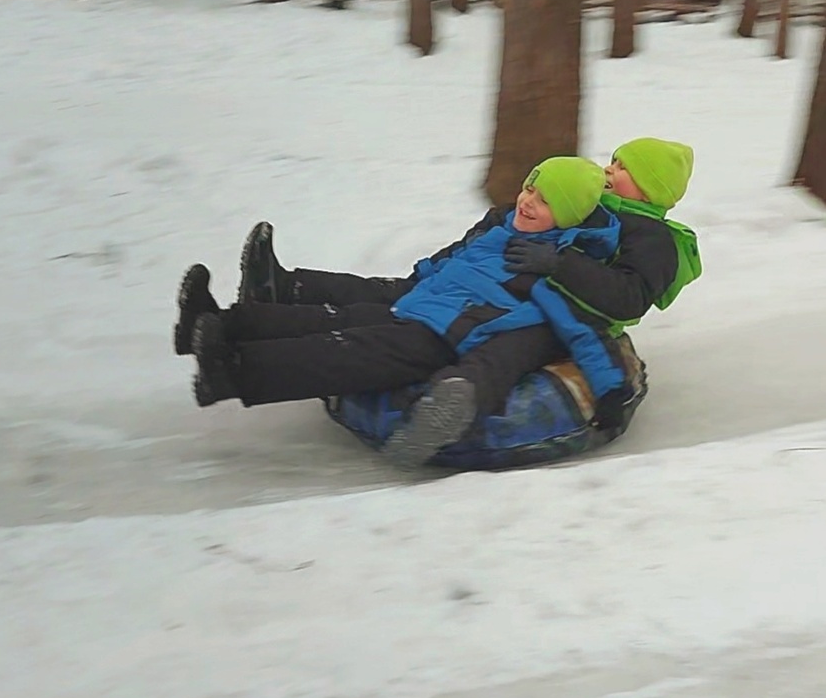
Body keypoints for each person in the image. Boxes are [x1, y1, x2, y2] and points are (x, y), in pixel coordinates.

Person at [177, 136, 700, 465]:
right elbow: (506, 233)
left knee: (387, 343)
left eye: (624, 168)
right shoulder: (589, 211)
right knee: (365, 314)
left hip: (528, 308)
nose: (610, 170)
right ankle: (228, 322)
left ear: (651, 190)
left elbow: (615, 303)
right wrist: (451, 261)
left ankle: (454, 400)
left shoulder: (645, 239)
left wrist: (559, 266)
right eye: (612, 161)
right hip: (478, 292)